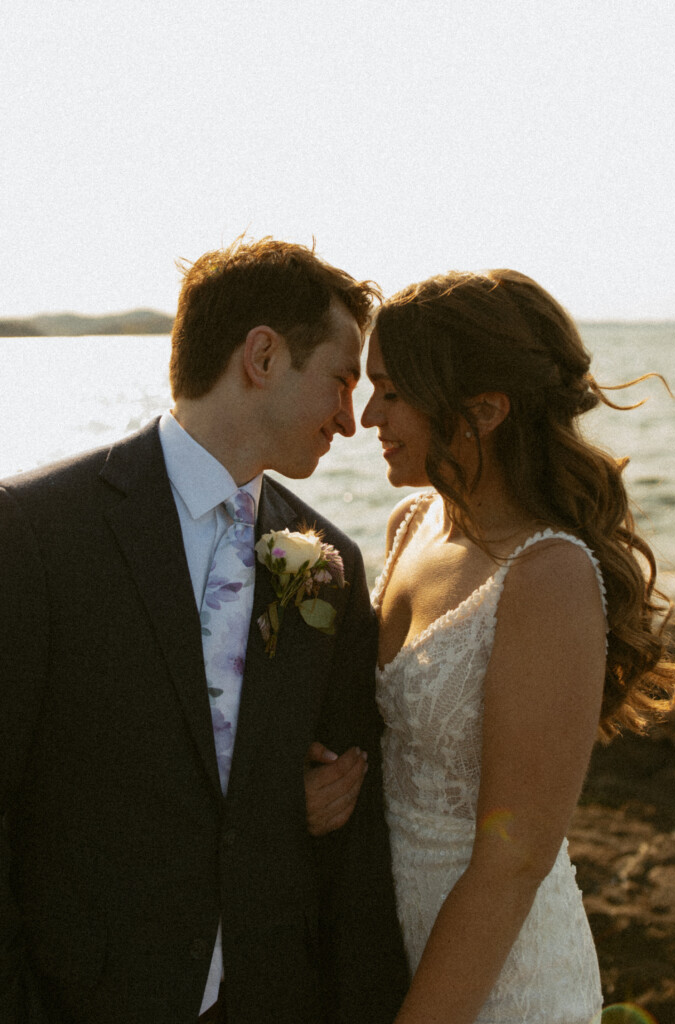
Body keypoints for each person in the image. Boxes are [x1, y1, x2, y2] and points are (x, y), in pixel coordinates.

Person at [0, 237, 409, 1024]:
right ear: (261, 355)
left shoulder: (331, 561)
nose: (350, 421)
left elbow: (350, 822)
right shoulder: (35, 532)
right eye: (340, 379)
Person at [305, 269, 675, 1023]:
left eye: (393, 392)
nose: (366, 414)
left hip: (500, 979)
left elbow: (512, 860)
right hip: (385, 942)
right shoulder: (411, 525)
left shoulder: (546, 576)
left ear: (481, 411)